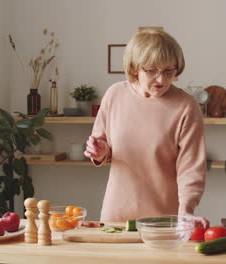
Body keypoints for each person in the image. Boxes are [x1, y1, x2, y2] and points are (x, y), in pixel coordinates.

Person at [84, 29, 208, 228]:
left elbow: (191, 168)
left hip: (163, 218)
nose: (161, 79)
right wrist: (99, 151)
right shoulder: (114, 94)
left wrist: (186, 209)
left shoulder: (186, 106)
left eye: (169, 71)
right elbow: (102, 147)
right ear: (134, 68)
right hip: (116, 214)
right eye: (152, 70)